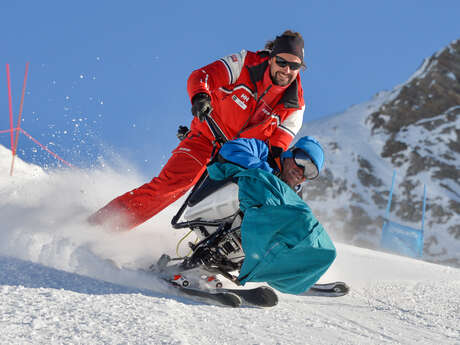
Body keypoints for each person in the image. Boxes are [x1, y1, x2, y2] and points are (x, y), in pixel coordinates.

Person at [89, 30, 307, 231]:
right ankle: (99, 227)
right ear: (271, 57)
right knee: (172, 185)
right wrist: (201, 96)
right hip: (206, 139)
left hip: (238, 160)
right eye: (281, 62)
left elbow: (277, 147)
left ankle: (219, 258)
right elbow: (202, 76)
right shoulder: (245, 64)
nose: (286, 70)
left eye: (294, 66)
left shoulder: (295, 105)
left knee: (243, 206)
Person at [205, 136, 336, 294]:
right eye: (302, 160)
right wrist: (268, 174)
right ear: (290, 153)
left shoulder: (293, 197)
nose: (302, 172)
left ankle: (293, 276)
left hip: (249, 226)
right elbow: (231, 149)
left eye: (310, 171)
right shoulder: (264, 151)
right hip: (221, 198)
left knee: (304, 227)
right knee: (299, 218)